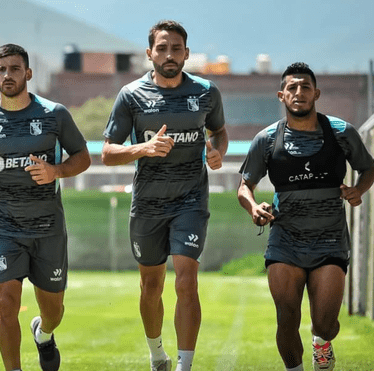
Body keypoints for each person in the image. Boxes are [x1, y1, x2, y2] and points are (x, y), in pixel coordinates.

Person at [102, 20, 228, 371]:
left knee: (187, 279)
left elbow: (219, 132)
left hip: (190, 201)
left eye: (176, 48)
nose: (169, 55)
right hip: (148, 205)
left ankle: (185, 365)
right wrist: (144, 147)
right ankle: (158, 354)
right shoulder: (131, 95)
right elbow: (108, 153)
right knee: (151, 287)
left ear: (186, 53)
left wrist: (217, 152)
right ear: (149, 54)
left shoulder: (206, 92)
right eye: (162, 48)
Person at [0, 44, 90, 371]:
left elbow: (83, 158)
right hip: (4, 228)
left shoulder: (54, 114)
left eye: (14, 69)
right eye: (1, 69)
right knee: (6, 304)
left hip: (48, 229)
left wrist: (56, 171)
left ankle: (43, 334)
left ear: (27, 74)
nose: (7, 75)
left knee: (53, 311)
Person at [237, 62, 374, 371]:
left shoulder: (341, 133)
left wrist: (359, 189)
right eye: (292, 88)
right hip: (285, 239)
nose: (299, 92)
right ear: (281, 95)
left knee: (325, 324)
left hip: (329, 240)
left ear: (316, 93)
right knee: (286, 317)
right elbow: (245, 185)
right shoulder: (267, 139)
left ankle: (322, 344)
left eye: (305, 87)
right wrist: (253, 207)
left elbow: (369, 167)